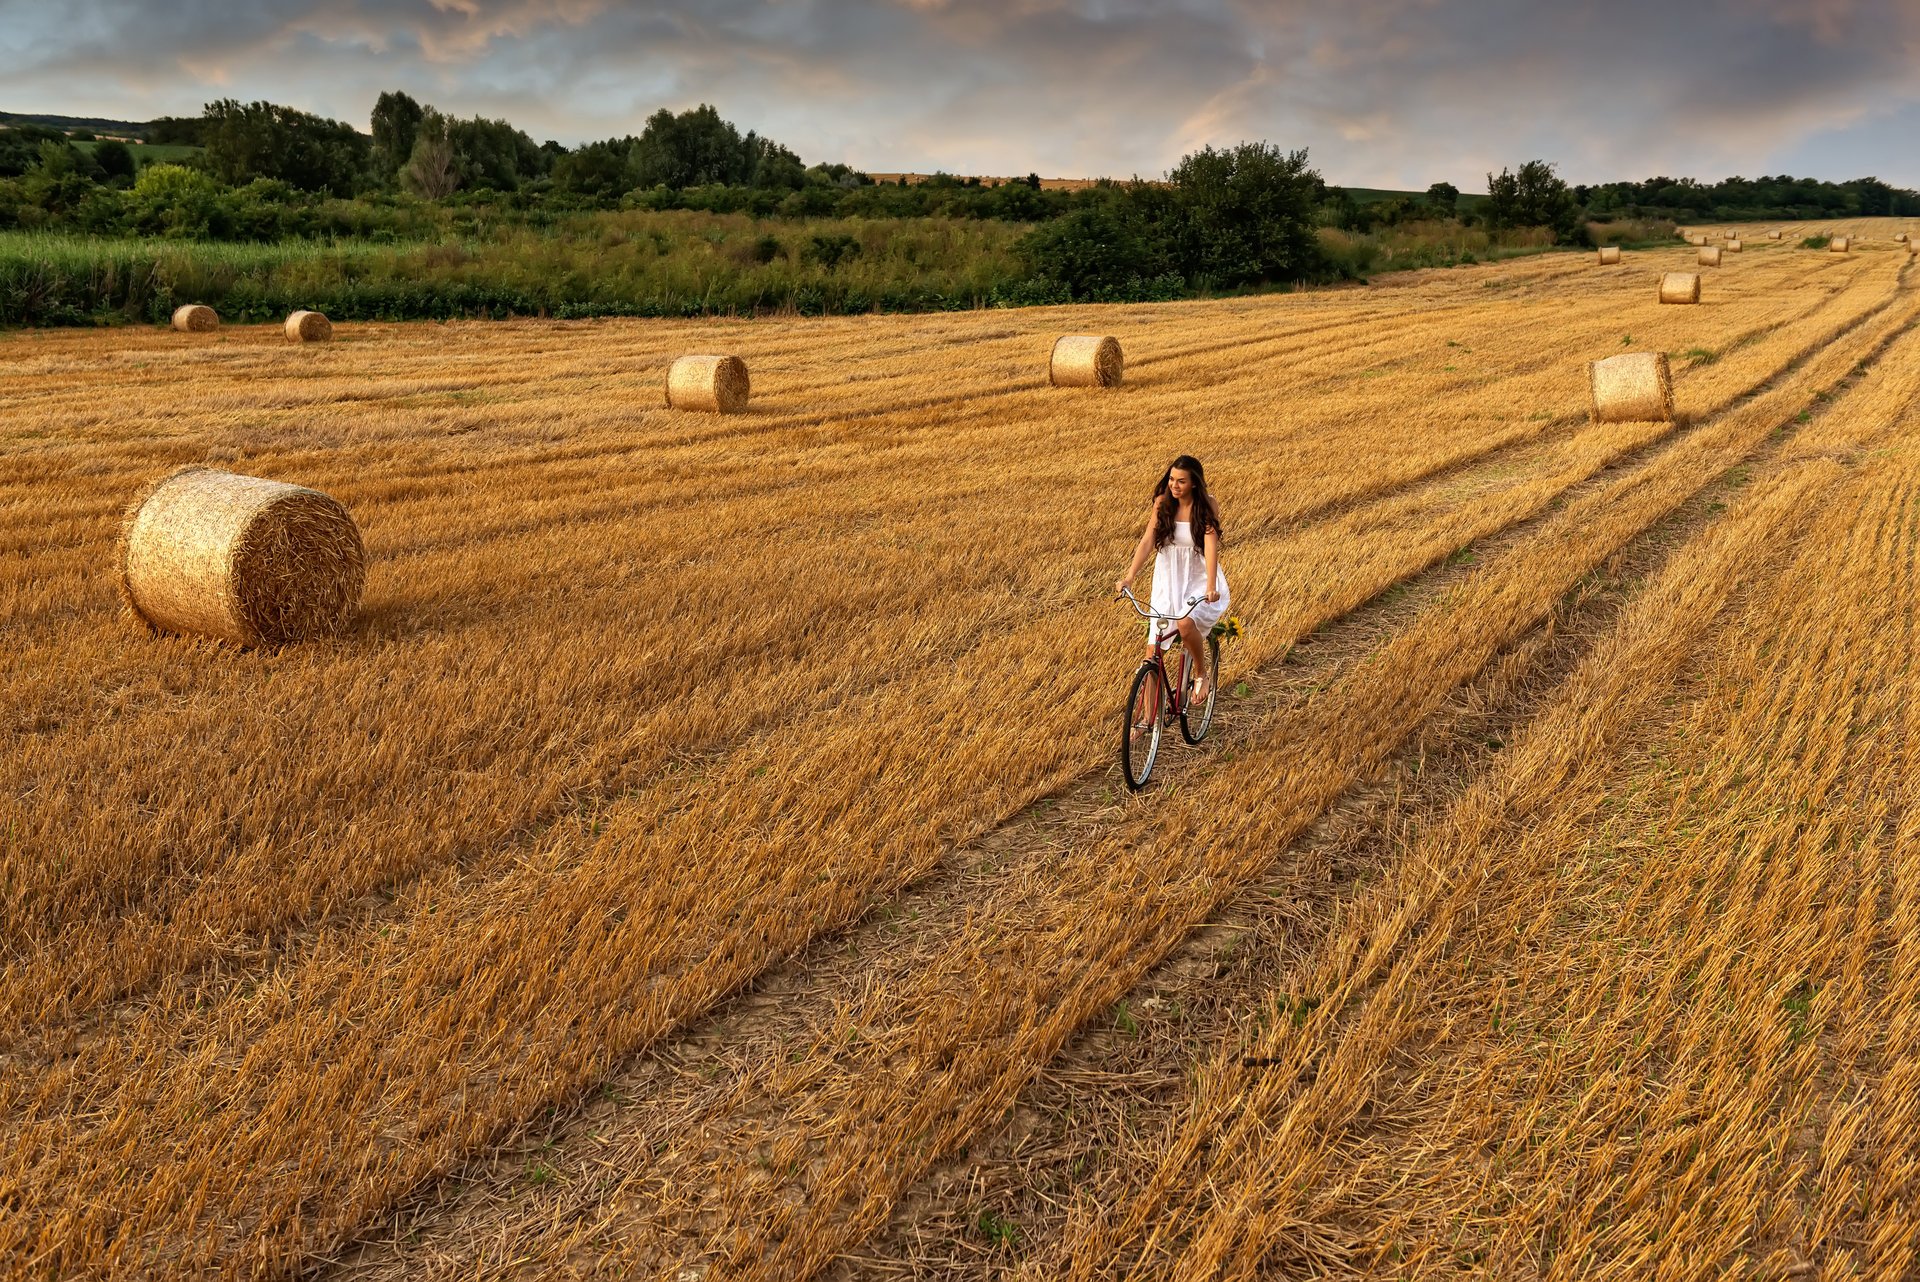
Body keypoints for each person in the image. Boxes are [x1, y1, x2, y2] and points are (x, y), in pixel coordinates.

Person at [1115, 454, 1229, 704]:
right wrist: (1129, 577)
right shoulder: (1162, 504)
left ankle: (1201, 673)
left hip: (1198, 576)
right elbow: (1147, 541)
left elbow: (1211, 547)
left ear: (1195, 484)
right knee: (1152, 654)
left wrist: (1211, 586)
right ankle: (1146, 721)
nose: (1174, 486)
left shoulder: (1207, 505)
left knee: (1187, 624)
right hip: (1168, 578)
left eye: (1181, 481)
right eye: (1171, 480)